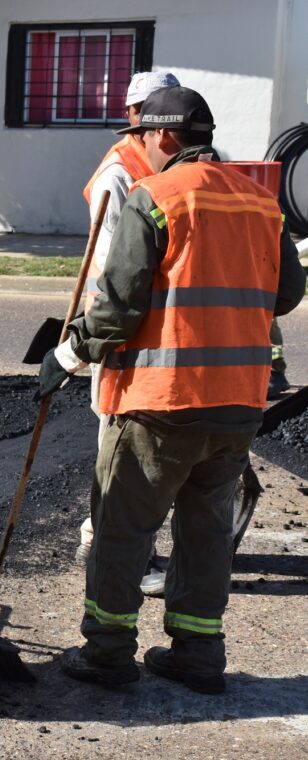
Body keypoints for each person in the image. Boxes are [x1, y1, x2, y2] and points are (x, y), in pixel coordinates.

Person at [38, 86, 305, 694]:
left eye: (142, 139)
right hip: (238, 405)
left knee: (122, 528)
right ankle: (198, 652)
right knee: (207, 531)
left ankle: (107, 653)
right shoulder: (262, 202)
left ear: (161, 137)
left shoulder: (154, 197)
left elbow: (118, 309)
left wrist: (66, 354)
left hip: (163, 403)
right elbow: (286, 294)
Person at [77, 71, 181, 597]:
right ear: (138, 116)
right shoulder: (121, 173)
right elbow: (113, 270)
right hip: (121, 322)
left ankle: (112, 536)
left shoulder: (171, 166)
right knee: (117, 432)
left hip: (156, 323)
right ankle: (104, 538)